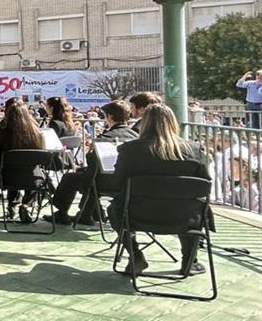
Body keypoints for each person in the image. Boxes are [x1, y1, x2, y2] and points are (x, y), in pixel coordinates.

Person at [108, 104, 211, 276]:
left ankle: (136, 255)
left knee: (114, 209)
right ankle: (190, 261)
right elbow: (204, 185)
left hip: (139, 215)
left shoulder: (130, 150)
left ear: (144, 123)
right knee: (194, 206)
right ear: (173, 122)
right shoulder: (194, 149)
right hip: (185, 218)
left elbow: (117, 184)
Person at [45, 100, 138, 226]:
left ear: (109, 116)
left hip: (104, 181)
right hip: (129, 182)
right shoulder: (136, 136)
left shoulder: (105, 138)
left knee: (71, 178)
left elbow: (92, 163)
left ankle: (62, 212)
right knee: (83, 175)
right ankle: (90, 213)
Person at [0, 101, 46, 224]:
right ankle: (27, 204)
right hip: (33, 178)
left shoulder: (2, 134)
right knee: (34, 172)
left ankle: (12, 206)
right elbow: (41, 158)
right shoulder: (38, 134)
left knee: (11, 168)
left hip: (8, 178)